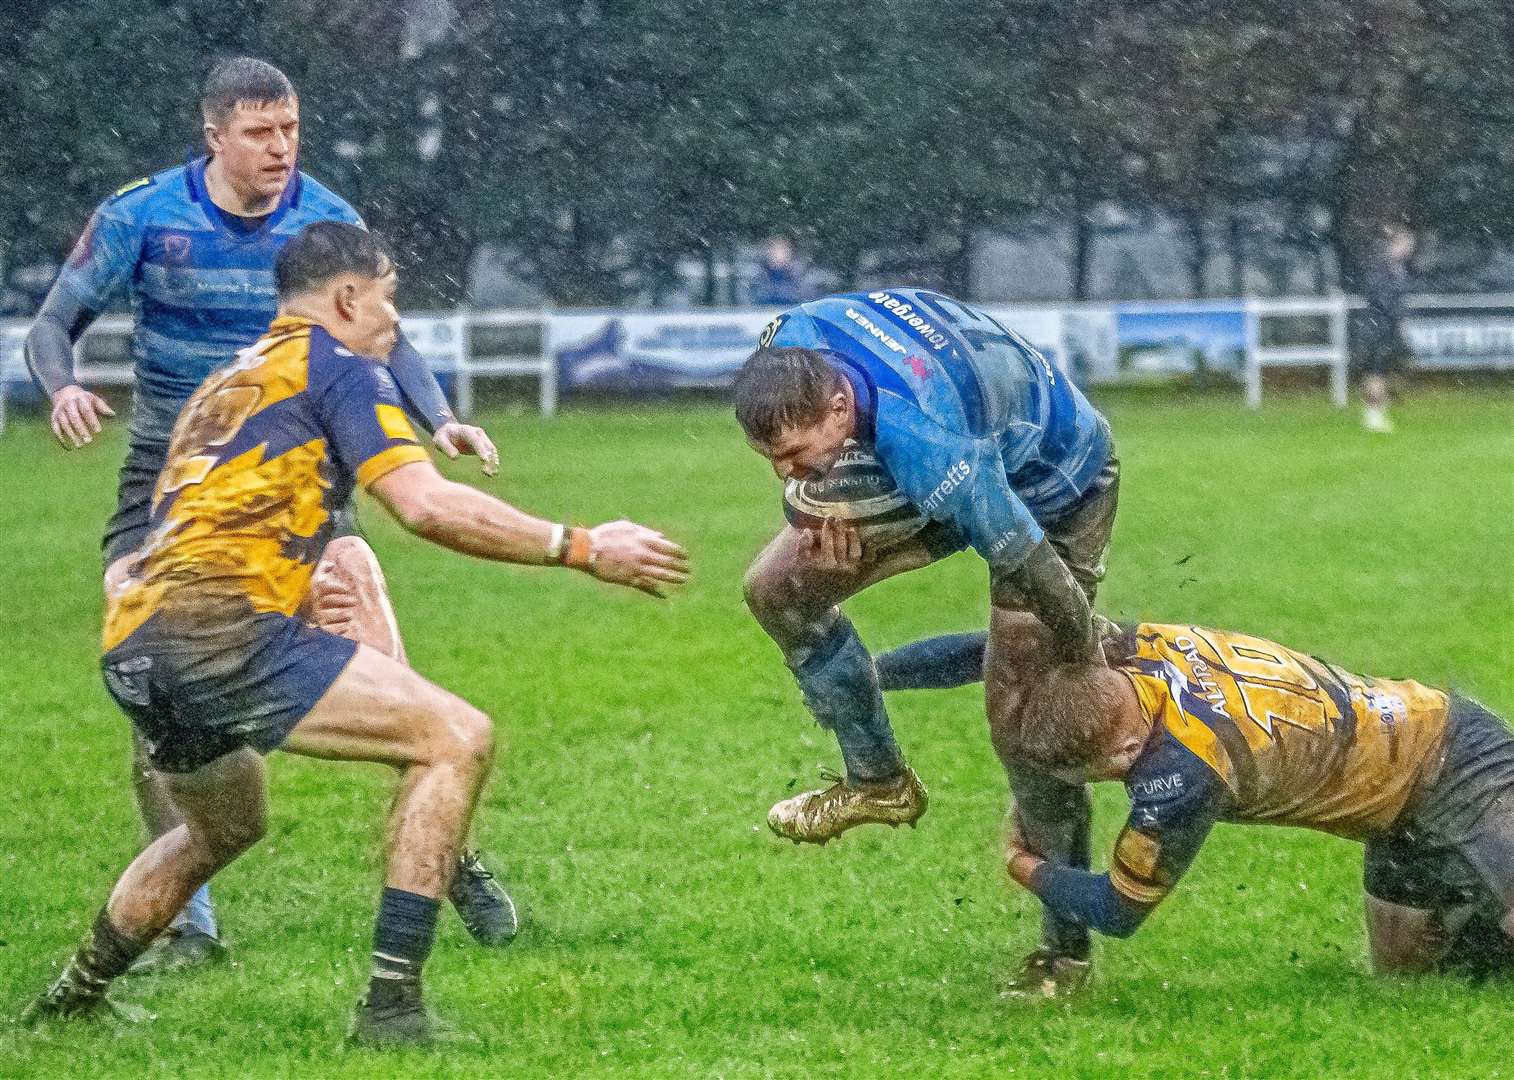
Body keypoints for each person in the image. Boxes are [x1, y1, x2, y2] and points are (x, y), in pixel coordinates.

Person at [20, 222, 690, 1044]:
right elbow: (425, 506)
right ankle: (391, 1008)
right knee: (456, 737)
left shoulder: (226, 382)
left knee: (226, 827)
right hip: (218, 634)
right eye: (389, 294)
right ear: (347, 297)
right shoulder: (337, 367)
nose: (395, 318)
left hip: (134, 642)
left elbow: (205, 522)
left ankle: (68, 1001)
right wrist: (582, 547)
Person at [23, 57, 513, 971]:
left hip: (300, 472)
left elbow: (384, 337)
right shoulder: (142, 216)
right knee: (152, 676)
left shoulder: (327, 218)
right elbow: (53, 324)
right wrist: (62, 388)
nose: (280, 147)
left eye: (289, 128)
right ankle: (189, 924)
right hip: (173, 483)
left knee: (374, 637)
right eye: (259, 132)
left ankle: (449, 847)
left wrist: (439, 417)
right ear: (214, 136)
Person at [734, 287, 1119, 997]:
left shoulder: (927, 441)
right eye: (771, 459)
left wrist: (1077, 664)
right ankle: (878, 781)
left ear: (839, 410)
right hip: (966, 435)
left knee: (1026, 722)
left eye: (794, 454)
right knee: (775, 589)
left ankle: (1065, 958)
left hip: (1057, 480)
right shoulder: (785, 349)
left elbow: (1039, 572)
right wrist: (831, 527)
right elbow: (808, 469)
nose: (785, 475)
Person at [994, 620, 1514, 977]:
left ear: (1123, 751)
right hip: (1391, 818)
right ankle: (1480, 899)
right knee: (1409, 980)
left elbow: (1117, 911)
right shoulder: (1135, 647)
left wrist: (1025, 866)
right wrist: (906, 693)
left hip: (1460, 759)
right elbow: (996, 649)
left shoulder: (1184, 772)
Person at [1356, 222, 1417, 434]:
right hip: (1377, 326)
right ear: (1394, 244)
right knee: (1376, 371)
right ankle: (1373, 415)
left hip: (1386, 327)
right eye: (1406, 244)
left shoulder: (1398, 269)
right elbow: (1379, 298)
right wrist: (1396, 318)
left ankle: (1376, 411)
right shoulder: (1380, 267)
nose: (1409, 250)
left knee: (1384, 370)